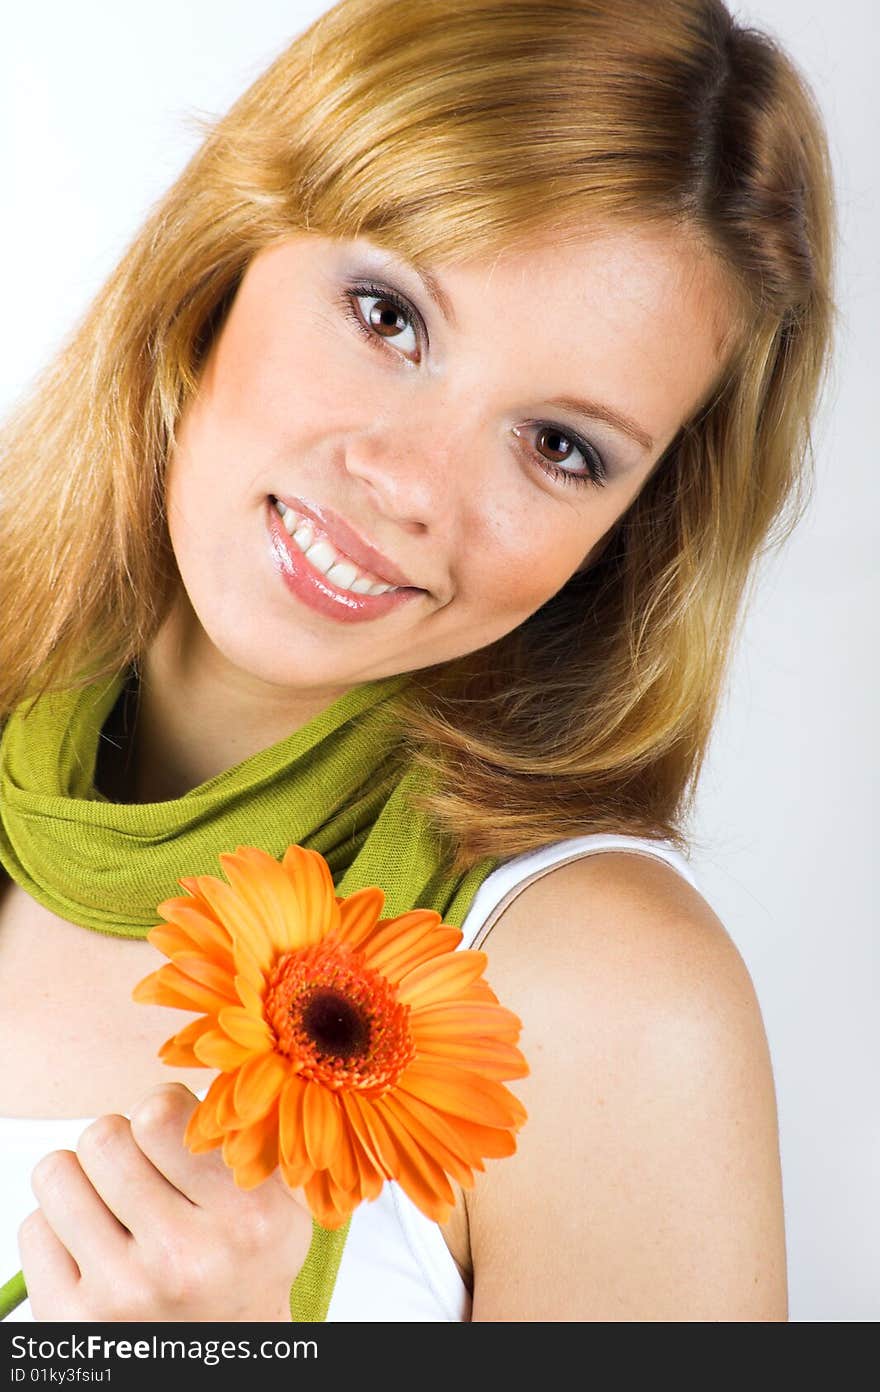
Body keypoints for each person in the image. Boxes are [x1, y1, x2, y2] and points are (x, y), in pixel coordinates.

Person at [0, 0, 835, 1322]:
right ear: (227, 254)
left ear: (628, 533)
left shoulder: (601, 1000)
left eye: (558, 446)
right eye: (387, 315)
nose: (405, 488)